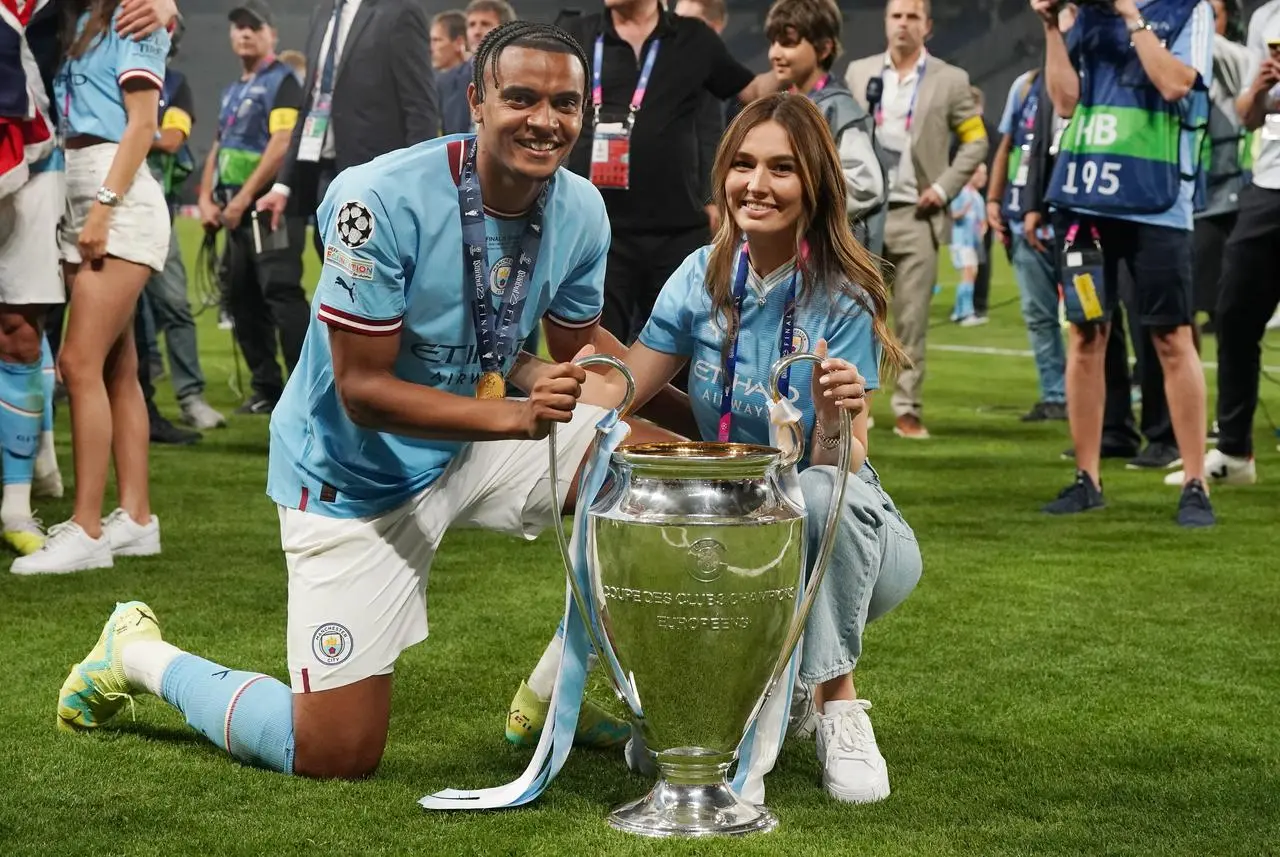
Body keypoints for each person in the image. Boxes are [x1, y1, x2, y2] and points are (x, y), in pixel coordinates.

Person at [55, 21, 677, 781]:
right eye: (521, 98)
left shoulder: (580, 209)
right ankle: (138, 652)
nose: (545, 120)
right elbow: (363, 391)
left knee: (666, 470)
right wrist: (516, 409)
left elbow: (579, 344)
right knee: (333, 752)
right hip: (356, 474)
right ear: (475, 100)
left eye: (565, 104)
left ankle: (561, 689)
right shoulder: (377, 199)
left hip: (476, 437)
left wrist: (695, 407)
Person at [510, 93, 922, 805]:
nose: (756, 184)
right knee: (628, 482)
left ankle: (835, 701)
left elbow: (844, 459)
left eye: (782, 169)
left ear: (814, 184)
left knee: (821, 492)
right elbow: (623, 389)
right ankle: (704, 698)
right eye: (743, 164)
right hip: (732, 534)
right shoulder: (701, 275)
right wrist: (530, 376)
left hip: (844, 537)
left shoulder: (846, 295)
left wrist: (832, 412)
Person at [1034, 0, 1216, 527]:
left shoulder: (1188, 10)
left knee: (1171, 338)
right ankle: (1087, 478)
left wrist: (1131, 16)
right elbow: (1065, 101)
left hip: (1158, 203)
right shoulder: (1087, 16)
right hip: (1087, 200)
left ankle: (1195, 482)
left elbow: (1177, 82)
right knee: (1087, 334)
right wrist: (1051, 26)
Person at [14, 0, 170, 575]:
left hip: (115, 195)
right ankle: (136, 518)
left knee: (78, 363)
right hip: (76, 187)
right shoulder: (64, 18)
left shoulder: (136, 14)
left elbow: (144, 123)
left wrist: (103, 209)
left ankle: (86, 529)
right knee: (115, 368)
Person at [555, 0, 779, 348]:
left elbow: (753, 94)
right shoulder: (579, 34)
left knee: (676, 355)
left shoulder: (693, 38)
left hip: (676, 235)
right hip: (597, 231)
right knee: (591, 352)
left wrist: (796, 60)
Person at [845, 0, 989, 440]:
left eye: (912, 16)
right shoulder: (859, 73)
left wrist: (944, 188)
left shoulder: (950, 79)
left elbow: (975, 142)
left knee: (911, 318)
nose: (903, 24)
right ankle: (855, 408)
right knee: (853, 315)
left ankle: (907, 407)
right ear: (885, 23)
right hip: (864, 213)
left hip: (916, 212)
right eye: (896, 15)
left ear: (926, 26)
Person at [1165, 0, 1280, 487]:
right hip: (1270, 182)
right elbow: (1251, 117)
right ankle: (1235, 453)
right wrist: (1259, 87)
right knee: (1233, 313)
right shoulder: (1265, 18)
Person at [254, 0, 441, 260]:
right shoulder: (322, 13)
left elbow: (420, 105)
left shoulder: (399, 12)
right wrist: (282, 185)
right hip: (323, 173)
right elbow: (310, 103)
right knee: (334, 272)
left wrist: (419, 183)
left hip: (377, 178)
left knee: (373, 275)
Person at [197, 1, 308, 416]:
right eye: (238, 28)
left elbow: (281, 145)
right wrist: (206, 198)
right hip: (235, 211)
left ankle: (302, 391)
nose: (244, 33)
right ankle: (267, 389)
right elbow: (218, 147)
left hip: (271, 208)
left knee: (280, 293)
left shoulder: (283, 82)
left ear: (271, 35)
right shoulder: (232, 90)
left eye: (253, 28)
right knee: (241, 298)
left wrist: (243, 197)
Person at [142, 30, 226, 433]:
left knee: (174, 303)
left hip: (156, 209)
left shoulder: (175, 85)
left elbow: (173, 140)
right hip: (103, 204)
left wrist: (133, 131)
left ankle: (191, 398)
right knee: (130, 316)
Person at [764, 0, 887, 253]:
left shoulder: (838, 109)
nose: (774, 53)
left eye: (788, 43)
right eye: (773, 42)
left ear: (823, 49)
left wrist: (797, 194)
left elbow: (865, 185)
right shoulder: (789, 104)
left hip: (831, 267)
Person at [988, 66, 1068, 422]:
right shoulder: (1025, 85)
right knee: (1039, 315)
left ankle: (1107, 397)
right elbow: (1007, 144)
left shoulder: (1092, 79)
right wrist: (993, 199)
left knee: (1094, 319)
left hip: (1075, 221)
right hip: (1023, 222)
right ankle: (1056, 395)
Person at [947, 162, 986, 324]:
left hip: (972, 243)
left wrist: (982, 230)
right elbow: (951, 214)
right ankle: (967, 314)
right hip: (960, 241)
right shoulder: (961, 193)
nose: (983, 177)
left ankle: (958, 312)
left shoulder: (977, 196)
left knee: (971, 274)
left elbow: (982, 220)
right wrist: (961, 213)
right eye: (981, 173)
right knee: (968, 275)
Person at [432, 10, 472, 135]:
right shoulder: (438, 82)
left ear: (459, 42)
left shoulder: (472, 81)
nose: (430, 48)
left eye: (437, 40)